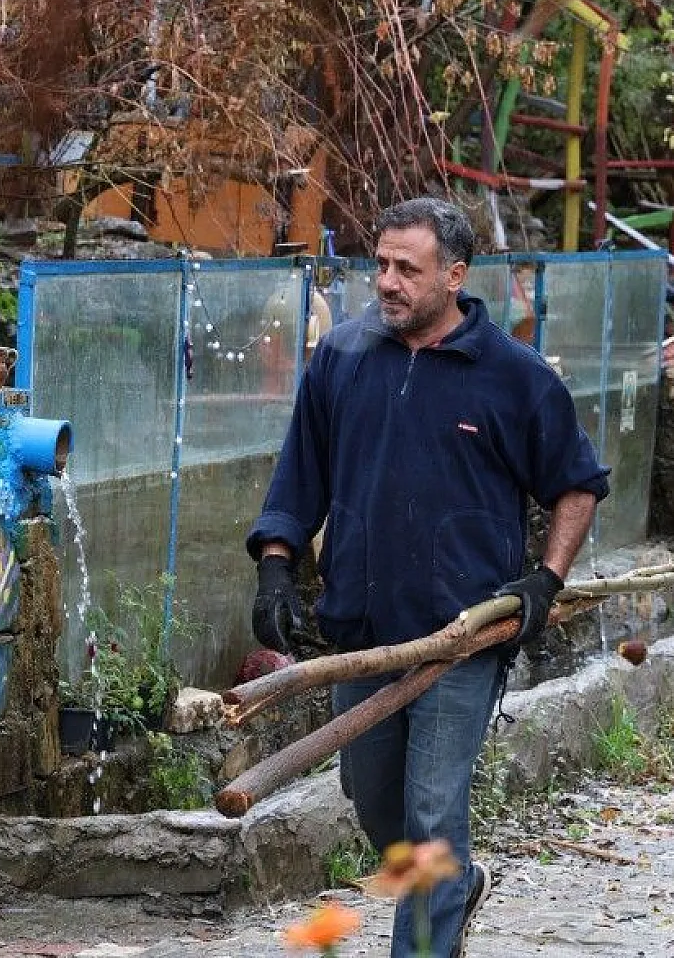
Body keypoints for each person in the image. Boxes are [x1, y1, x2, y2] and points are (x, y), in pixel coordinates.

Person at [245, 197, 609, 958]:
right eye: (380, 264)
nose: (386, 281)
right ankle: (456, 887)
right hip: (364, 635)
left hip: (460, 637)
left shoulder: (514, 377)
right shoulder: (342, 357)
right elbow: (299, 476)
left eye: (406, 268)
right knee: (377, 805)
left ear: (455, 275)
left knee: (434, 808)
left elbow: (578, 482)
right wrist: (276, 568)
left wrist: (545, 579)